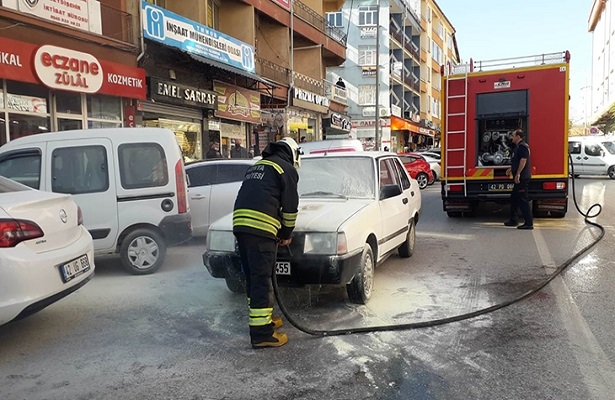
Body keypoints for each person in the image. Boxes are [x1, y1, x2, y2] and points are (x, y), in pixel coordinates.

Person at [233, 137, 302, 349]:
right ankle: (262, 334)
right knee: (262, 279)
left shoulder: (259, 166)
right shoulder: (286, 169)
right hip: (261, 229)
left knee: (254, 278)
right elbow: (290, 208)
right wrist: (285, 233)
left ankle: (263, 320)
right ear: (293, 154)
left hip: (240, 226)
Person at [504, 129, 533, 230]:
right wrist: (511, 169)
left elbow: (523, 161)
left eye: (513, 135)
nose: (511, 137)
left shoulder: (523, 147)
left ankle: (529, 223)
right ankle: (513, 220)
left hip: (522, 178)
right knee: (514, 198)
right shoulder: (518, 147)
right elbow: (517, 161)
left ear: (518, 136)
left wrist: (518, 174)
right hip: (519, 177)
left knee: (523, 200)